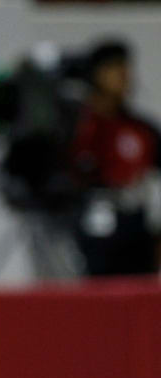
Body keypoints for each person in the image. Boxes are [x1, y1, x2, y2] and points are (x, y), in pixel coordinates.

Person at [69, 38, 161, 277]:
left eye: (125, 66)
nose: (123, 74)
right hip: (90, 228)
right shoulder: (76, 128)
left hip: (136, 229)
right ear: (95, 74)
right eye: (112, 67)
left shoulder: (142, 129)